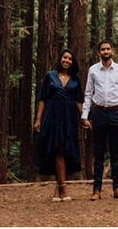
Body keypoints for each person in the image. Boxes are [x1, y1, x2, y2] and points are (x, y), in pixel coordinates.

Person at [81, 39, 118, 200]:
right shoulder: (93, 70)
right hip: (99, 113)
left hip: (116, 113)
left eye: (108, 49)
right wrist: (85, 116)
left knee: (116, 153)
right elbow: (88, 93)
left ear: (112, 51)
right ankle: (97, 190)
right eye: (103, 49)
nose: (106, 52)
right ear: (98, 52)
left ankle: (117, 188)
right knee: (99, 153)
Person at [34, 48, 83, 202]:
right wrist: (38, 119)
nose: (67, 61)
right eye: (64, 58)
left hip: (68, 117)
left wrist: (85, 118)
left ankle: (59, 187)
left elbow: (78, 102)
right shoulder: (50, 76)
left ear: (72, 62)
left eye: (70, 59)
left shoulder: (75, 80)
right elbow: (42, 98)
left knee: (64, 149)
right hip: (52, 115)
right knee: (56, 149)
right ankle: (61, 187)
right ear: (60, 59)